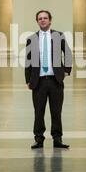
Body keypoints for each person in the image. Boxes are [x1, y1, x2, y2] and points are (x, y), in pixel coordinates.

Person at [25, 10, 72, 149]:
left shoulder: (59, 36)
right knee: (38, 112)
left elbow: (68, 54)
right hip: (38, 82)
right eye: (40, 18)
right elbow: (28, 61)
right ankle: (39, 139)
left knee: (56, 111)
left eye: (45, 18)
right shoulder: (32, 39)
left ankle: (57, 139)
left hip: (55, 80)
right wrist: (28, 79)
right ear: (37, 21)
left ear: (50, 20)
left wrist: (66, 72)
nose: (43, 20)